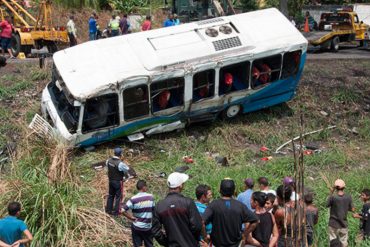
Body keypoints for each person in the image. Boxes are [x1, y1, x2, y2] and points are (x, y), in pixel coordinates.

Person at [202, 178, 259, 247]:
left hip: (217, 244)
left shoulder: (213, 205)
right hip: (235, 244)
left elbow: (202, 222)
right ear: (234, 191)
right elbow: (256, 220)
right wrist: (245, 234)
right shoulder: (240, 206)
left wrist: (205, 237)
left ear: (220, 190)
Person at [152, 172, 202, 246]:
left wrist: (166, 242)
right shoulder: (188, 202)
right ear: (180, 185)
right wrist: (192, 239)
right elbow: (197, 226)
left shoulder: (159, 206)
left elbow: (155, 231)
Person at [122, 180, 155, 247]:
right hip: (147, 227)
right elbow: (154, 210)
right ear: (144, 187)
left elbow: (122, 210)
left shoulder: (133, 199)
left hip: (136, 227)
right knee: (149, 245)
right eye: (146, 186)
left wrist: (130, 217)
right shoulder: (151, 197)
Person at [327, 179, 354, 247]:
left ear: (335, 188)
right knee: (344, 243)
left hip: (333, 224)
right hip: (343, 224)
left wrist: (331, 192)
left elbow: (327, 204)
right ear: (344, 187)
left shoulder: (333, 197)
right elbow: (352, 209)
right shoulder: (348, 197)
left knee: (333, 242)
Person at [105, 147, 130, 216]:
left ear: (114, 153)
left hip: (110, 180)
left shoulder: (108, 161)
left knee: (110, 195)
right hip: (118, 182)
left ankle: (108, 210)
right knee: (119, 197)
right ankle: (116, 212)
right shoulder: (120, 163)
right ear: (121, 154)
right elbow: (127, 169)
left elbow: (108, 168)